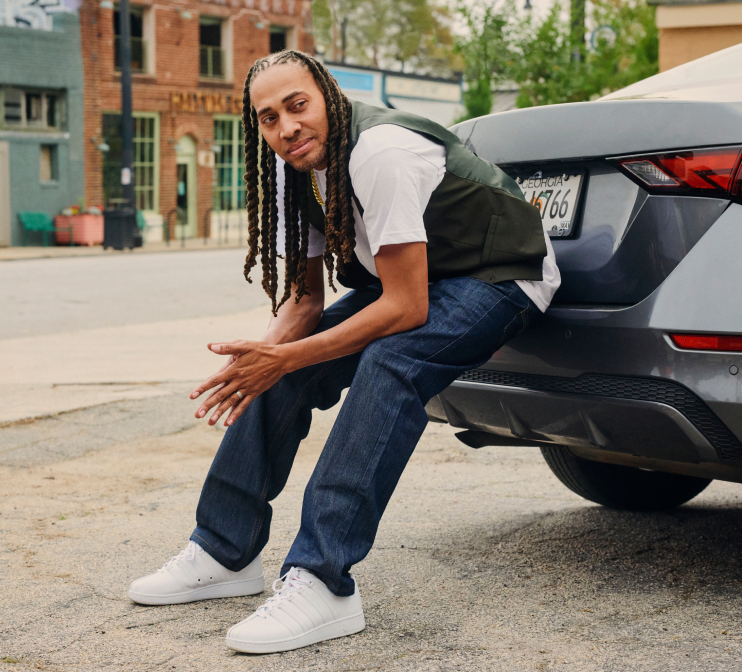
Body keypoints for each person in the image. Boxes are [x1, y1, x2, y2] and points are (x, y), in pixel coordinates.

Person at [128, 50, 561, 654]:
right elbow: (302, 307)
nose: (286, 128)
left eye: (297, 106)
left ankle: (323, 582)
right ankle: (225, 551)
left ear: (328, 95)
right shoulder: (290, 168)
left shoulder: (381, 151)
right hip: (423, 281)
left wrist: (286, 357)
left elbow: (406, 310)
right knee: (278, 367)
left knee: (392, 362)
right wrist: (261, 360)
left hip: (501, 278)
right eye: (269, 118)